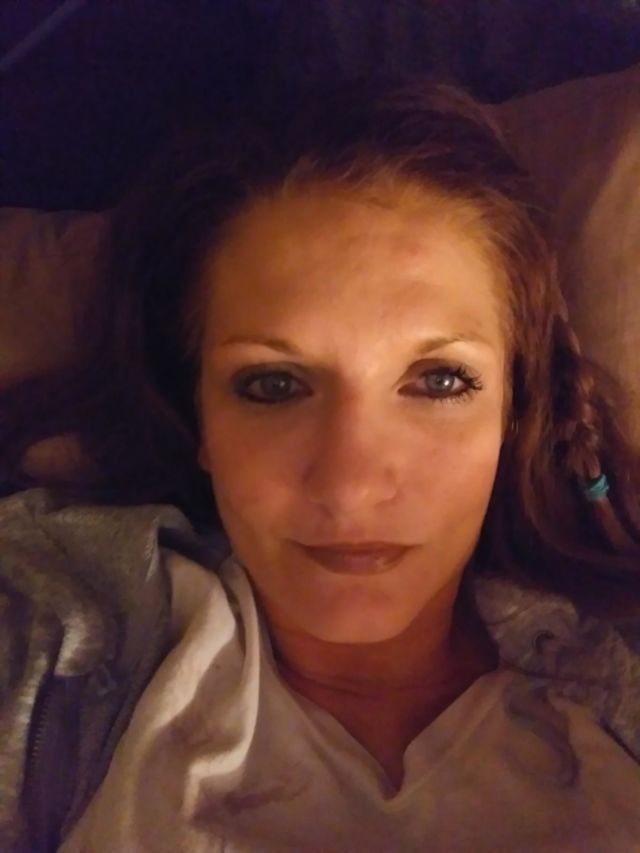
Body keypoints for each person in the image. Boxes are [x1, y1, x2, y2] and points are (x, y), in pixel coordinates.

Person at [1, 76, 640, 853]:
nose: (350, 485)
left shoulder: (612, 677)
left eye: (439, 381)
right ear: (198, 415)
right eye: (274, 385)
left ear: (513, 409)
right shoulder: (53, 629)